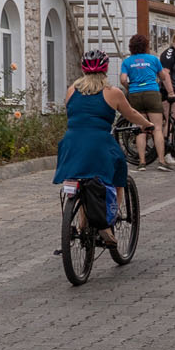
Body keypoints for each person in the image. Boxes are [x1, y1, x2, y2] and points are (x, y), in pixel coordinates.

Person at [53, 50, 154, 246]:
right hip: (99, 143)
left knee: (80, 180)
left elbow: (71, 113)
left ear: (83, 69)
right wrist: (146, 124)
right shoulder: (113, 92)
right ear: (106, 69)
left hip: (72, 143)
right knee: (118, 176)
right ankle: (108, 220)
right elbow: (131, 113)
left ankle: (83, 224)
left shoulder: (72, 90)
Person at [118, 33, 173, 171]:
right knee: (157, 128)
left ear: (131, 47)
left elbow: (123, 79)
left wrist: (129, 88)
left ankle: (142, 162)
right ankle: (161, 161)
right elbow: (163, 76)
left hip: (135, 94)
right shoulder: (153, 59)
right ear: (146, 46)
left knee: (141, 128)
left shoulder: (127, 62)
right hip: (152, 93)